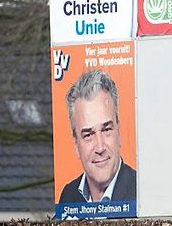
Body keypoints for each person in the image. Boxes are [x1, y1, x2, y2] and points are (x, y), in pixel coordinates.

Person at [58, 69, 137, 204]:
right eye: (88, 135)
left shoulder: (141, 192)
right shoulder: (68, 196)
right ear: (76, 145)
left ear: (119, 131)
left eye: (106, 129)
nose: (100, 148)